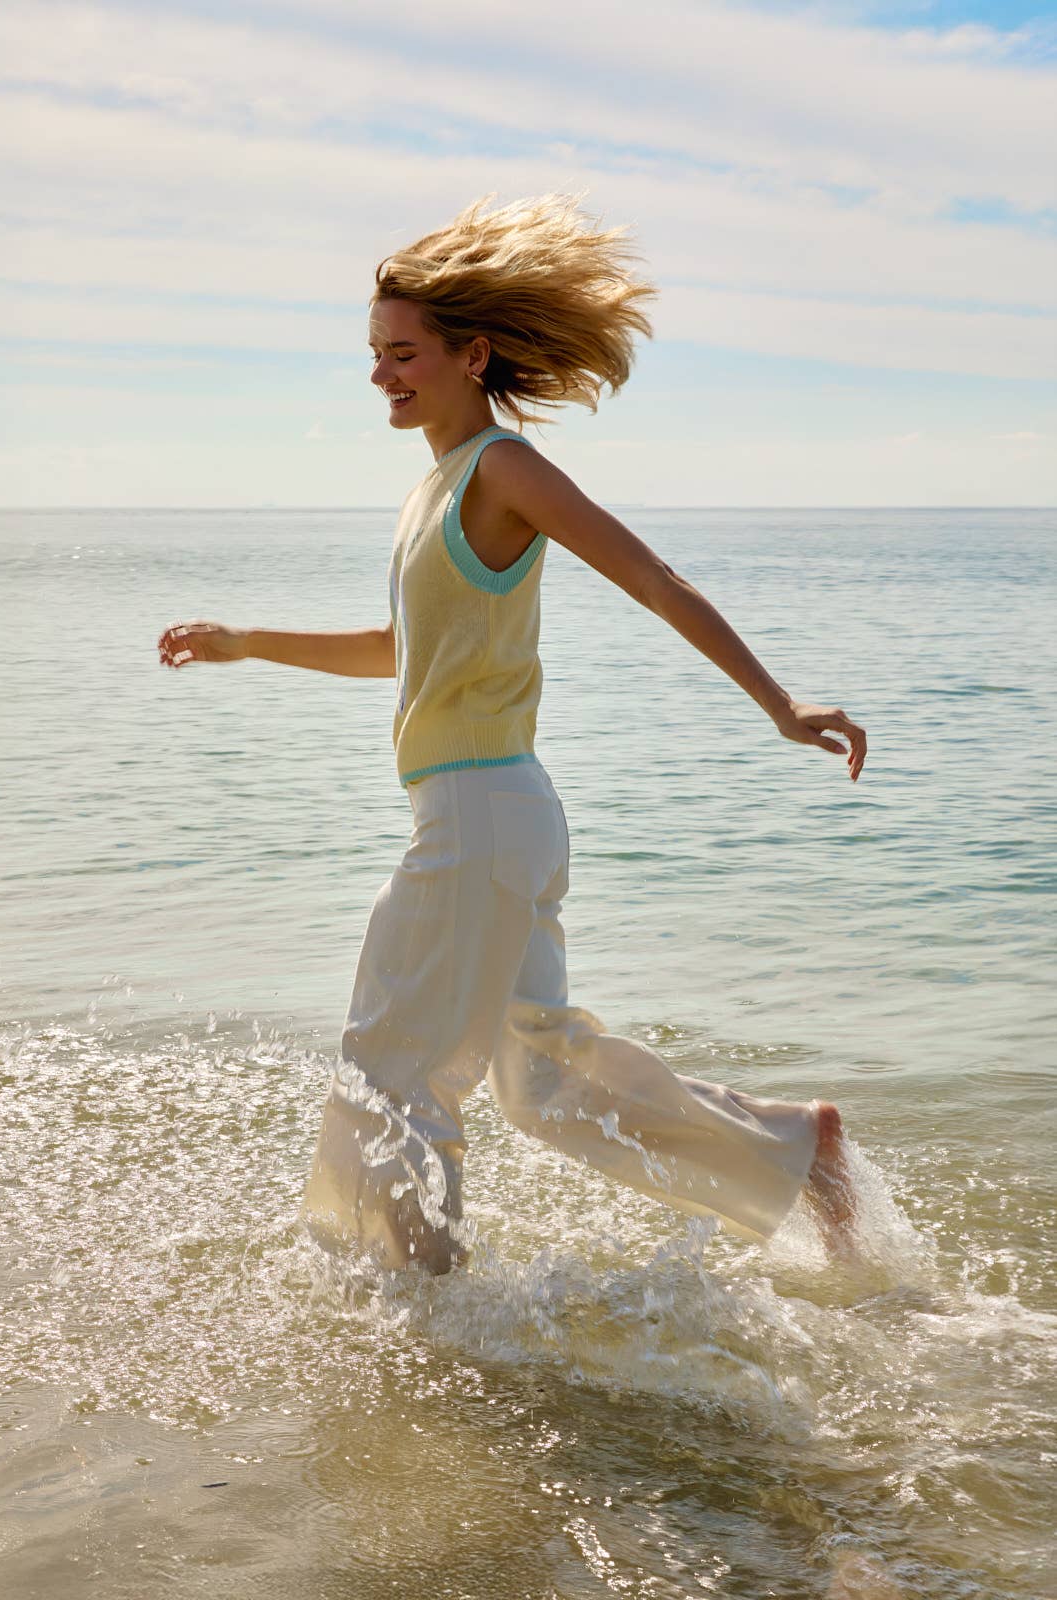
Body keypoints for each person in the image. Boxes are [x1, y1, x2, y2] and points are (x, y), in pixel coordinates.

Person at [159, 194, 867, 1274]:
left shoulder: (501, 468)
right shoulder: (433, 489)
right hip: (497, 813)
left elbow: (651, 577)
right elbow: (399, 648)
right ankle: (793, 1147)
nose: (380, 374)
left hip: (479, 814)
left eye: (402, 354)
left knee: (391, 1066)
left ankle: (423, 1304)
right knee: (541, 1082)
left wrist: (778, 703)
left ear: (470, 354)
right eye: (374, 353)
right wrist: (246, 643)